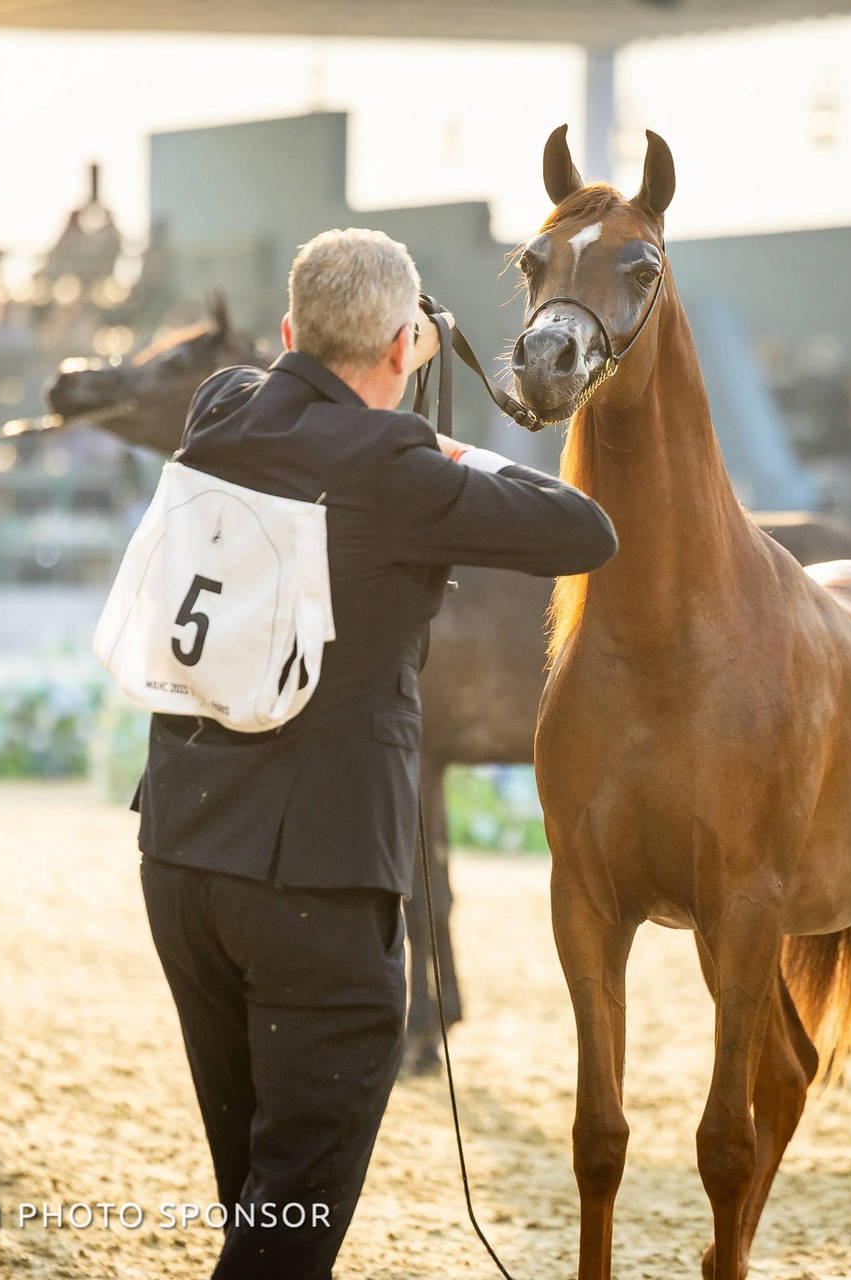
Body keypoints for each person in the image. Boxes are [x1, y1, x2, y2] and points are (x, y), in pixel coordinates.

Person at [135, 228, 617, 1278]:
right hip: (315, 876)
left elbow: (267, 388)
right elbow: (583, 530)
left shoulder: (219, 411)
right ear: (411, 346)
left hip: (178, 853)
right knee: (290, 1220)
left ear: (286, 332)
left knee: (256, 1195)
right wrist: (445, 444)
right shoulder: (397, 465)